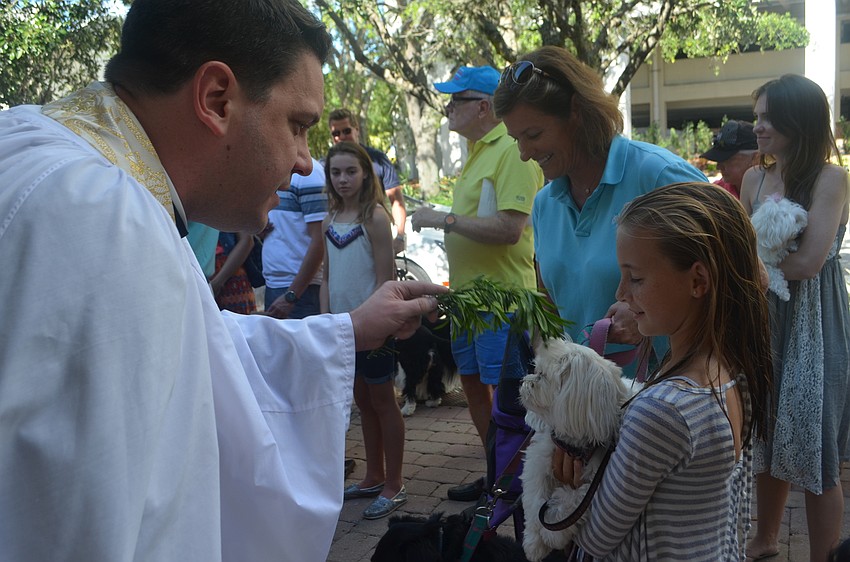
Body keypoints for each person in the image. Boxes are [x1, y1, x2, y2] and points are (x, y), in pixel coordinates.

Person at [0, 1, 445, 561]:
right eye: (298, 126)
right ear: (217, 99)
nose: (307, 163)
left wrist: (349, 328)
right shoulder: (100, 218)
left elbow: (193, 344)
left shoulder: (61, 164)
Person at [553, 182, 773, 561]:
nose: (621, 292)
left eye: (635, 278)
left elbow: (596, 538)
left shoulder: (663, 411)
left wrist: (564, 491)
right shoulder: (731, 371)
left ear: (698, 281)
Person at [492, 46, 707, 379]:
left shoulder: (660, 175)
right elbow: (550, 304)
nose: (523, 154)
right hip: (583, 412)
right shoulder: (545, 204)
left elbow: (743, 280)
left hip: (668, 402)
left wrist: (647, 315)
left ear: (576, 112)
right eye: (516, 139)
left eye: (533, 135)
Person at [411, 65, 545, 502]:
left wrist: (443, 218)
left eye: (456, 99)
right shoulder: (476, 152)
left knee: (514, 399)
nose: (447, 108)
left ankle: (525, 482)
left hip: (503, 302)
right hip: (469, 302)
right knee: (472, 386)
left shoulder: (510, 149)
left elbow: (510, 229)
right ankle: (498, 475)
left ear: (484, 106)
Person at [740, 74, 850, 562]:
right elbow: (742, 250)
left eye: (767, 118)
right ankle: (765, 541)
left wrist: (751, 269)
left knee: (816, 449)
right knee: (765, 434)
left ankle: (825, 556)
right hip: (764, 319)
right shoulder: (753, 178)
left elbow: (807, 264)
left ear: (796, 120)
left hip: (814, 324)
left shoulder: (831, 179)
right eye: (757, 115)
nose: (757, 126)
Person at [321, 141, 406, 519]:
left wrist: (376, 325)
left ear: (364, 174)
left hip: (373, 329)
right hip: (341, 329)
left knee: (384, 401)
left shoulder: (374, 217)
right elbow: (326, 278)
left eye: (350, 172)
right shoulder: (329, 219)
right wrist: (326, 321)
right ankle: (373, 475)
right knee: (363, 402)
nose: (342, 179)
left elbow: (385, 278)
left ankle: (395, 483)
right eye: (335, 172)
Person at [328, 108, 408, 254]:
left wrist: (400, 237)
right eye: (336, 134)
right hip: (340, 239)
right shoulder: (325, 165)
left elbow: (396, 201)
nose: (341, 137)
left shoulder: (378, 160)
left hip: (376, 234)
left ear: (356, 130)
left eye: (346, 131)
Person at [263, 157, 326, 319]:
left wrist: (292, 295)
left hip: (301, 291)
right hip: (274, 284)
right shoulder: (277, 171)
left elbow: (320, 241)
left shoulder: (309, 175)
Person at [700, 119, 759, 198]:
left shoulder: (774, 192)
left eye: (727, 159)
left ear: (756, 158)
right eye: (718, 160)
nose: (718, 167)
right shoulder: (716, 193)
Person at [212, 231, 258, 314]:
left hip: (230, 272)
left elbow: (247, 241)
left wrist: (218, 283)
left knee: (238, 323)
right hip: (196, 268)